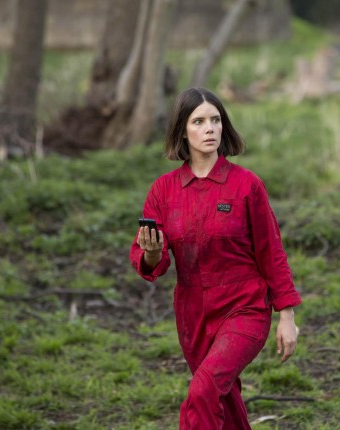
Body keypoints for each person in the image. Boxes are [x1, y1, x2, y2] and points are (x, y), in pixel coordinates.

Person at [130, 87, 301, 429]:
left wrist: (286, 315)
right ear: (182, 131)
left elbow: (271, 253)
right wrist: (152, 253)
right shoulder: (163, 191)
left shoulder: (247, 185)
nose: (210, 128)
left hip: (244, 307)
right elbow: (151, 263)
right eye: (199, 121)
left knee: (203, 392)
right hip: (193, 315)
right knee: (222, 400)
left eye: (216, 120)